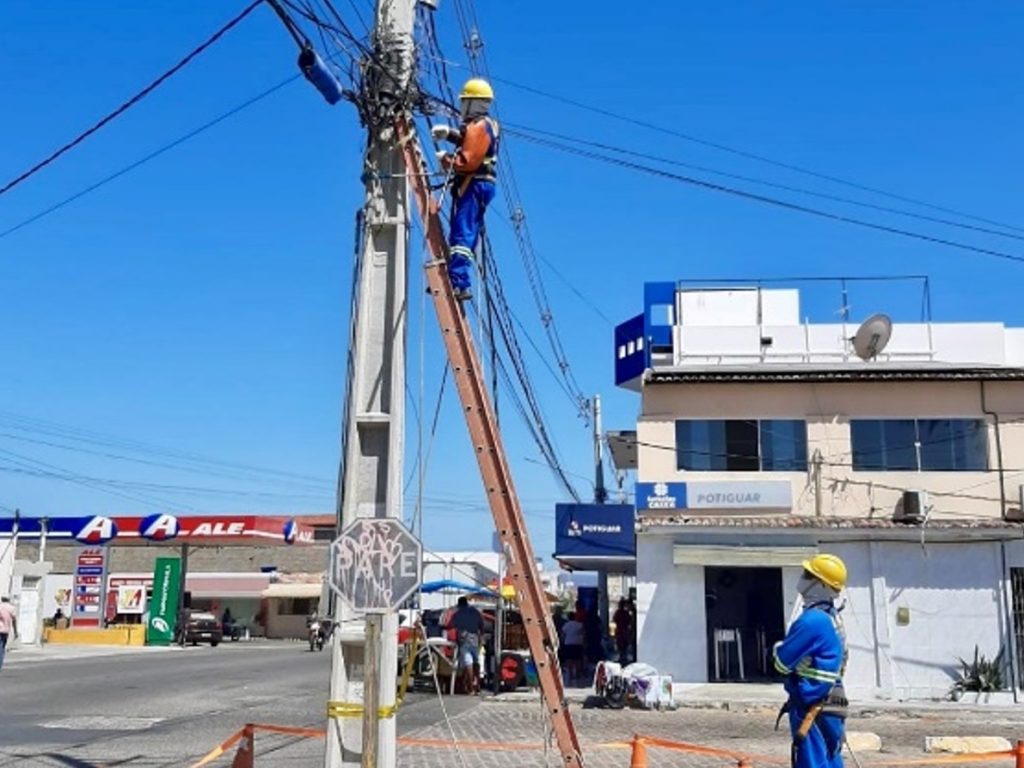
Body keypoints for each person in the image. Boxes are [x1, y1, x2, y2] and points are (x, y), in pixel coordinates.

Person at [773, 554, 849, 768]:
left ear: (822, 585)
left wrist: (778, 648)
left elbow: (780, 663)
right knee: (831, 761)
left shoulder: (812, 621)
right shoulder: (833, 617)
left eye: (808, 575)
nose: (802, 578)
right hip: (832, 703)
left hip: (812, 705)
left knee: (813, 762)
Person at [431, 78, 499, 302]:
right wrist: (449, 134)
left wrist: (446, 159)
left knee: (462, 232)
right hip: (480, 184)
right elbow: (467, 139)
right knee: (465, 231)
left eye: (464, 102)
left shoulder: (479, 126)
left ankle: (459, 282)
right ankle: (457, 277)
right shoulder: (484, 125)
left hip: (474, 183)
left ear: (473, 103)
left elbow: (467, 159)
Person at [445, 596, 484, 694]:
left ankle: (471, 687)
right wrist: (481, 637)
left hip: (464, 639)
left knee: (468, 663)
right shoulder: (475, 612)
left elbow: (450, 625)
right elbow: (482, 625)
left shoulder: (458, 614)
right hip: (475, 638)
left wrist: (444, 626)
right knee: (476, 661)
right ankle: (477, 684)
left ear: (459, 605)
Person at [561, 609, 585, 686]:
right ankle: (577, 674)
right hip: (578, 643)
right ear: (575, 617)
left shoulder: (566, 625)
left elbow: (563, 635)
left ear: (568, 617)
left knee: (569, 659)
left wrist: (562, 642)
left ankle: (570, 674)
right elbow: (583, 634)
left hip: (568, 643)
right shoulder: (579, 625)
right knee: (578, 659)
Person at [0, 596, 19, 671]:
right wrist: (15, 631)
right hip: (5, 630)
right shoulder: (11, 608)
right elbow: (14, 620)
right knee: (2, 648)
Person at [613, 598, 633, 664]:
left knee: (620, 645)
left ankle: (622, 658)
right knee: (624, 645)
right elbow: (629, 621)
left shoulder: (618, 612)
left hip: (619, 631)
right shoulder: (626, 613)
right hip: (624, 631)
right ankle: (624, 658)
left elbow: (614, 620)